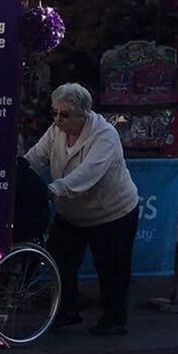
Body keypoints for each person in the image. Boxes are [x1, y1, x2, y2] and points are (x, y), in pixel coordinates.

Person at [24, 82, 140, 336]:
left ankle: (114, 320)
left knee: (112, 269)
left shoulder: (105, 135)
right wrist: (19, 171)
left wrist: (53, 189)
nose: (58, 119)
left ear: (83, 114)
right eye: (55, 113)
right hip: (71, 212)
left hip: (112, 213)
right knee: (60, 262)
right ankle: (65, 311)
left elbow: (88, 173)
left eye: (64, 114)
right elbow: (36, 158)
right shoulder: (56, 131)